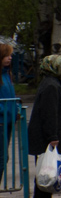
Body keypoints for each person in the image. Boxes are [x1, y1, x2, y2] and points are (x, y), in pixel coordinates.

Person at [27, 54, 61, 198]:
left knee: (45, 168)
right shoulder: (52, 86)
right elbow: (49, 113)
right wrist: (52, 136)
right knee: (46, 170)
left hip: (44, 134)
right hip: (47, 136)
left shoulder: (50, 83)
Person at [0, 43, 17, 182]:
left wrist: (16, 108)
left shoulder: (7, 75)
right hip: (1, 120)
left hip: (8, 121)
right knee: (1, 157)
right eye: (7, 55)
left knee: (4, 158)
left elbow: (12, 97)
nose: (10, 58)